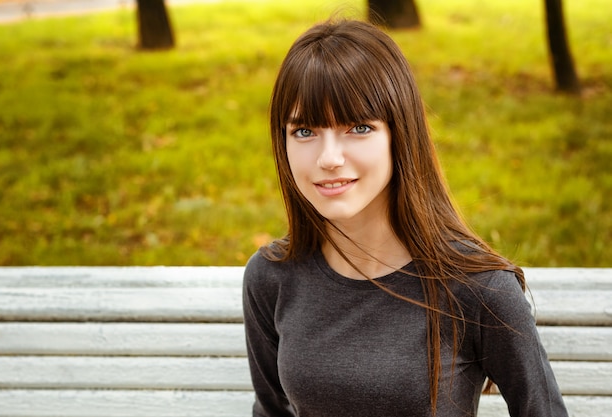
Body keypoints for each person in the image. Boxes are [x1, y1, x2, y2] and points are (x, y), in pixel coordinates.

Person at [242, 19, 569, 417]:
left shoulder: (479, 289)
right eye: (305, 131)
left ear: (400, 134)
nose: (328, 158)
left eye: (358, 128)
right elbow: (271, 411)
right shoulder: (272, 277)